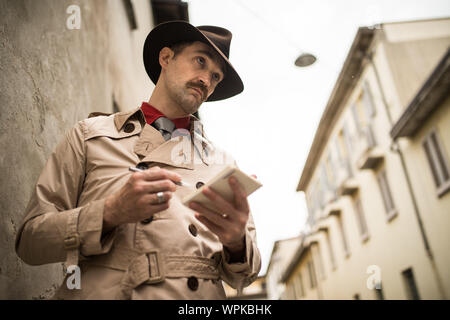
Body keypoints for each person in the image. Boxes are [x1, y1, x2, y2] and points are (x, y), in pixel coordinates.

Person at [15, 21, 261, 299]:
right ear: (166, 58)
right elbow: (30, 242)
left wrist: (237, 243)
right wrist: (109, 213)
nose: (206, 80)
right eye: (200, 61)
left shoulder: (223, 163)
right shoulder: (89, 136)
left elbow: (247, 274)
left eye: (215, 77)